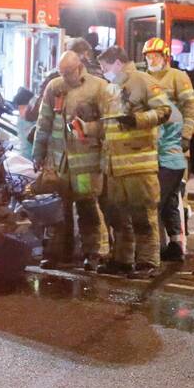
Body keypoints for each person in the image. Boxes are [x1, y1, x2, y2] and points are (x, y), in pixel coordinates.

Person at [96, 45, 173, 278]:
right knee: (118, 216)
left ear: (117, 63)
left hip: (138, 165)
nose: (103, 72)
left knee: (143, 215)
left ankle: (148, 262)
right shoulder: (112, 88)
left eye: (105, 67)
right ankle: (123, 260)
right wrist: (87, 129)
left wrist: (137, 120)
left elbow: (165, 111)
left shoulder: (143, 81)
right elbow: (108, 125)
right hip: (116, 167)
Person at [32, 51, 111, 271]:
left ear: (79, 67)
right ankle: (57, 254)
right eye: (62, 73)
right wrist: (38, 154)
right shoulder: (54, 87)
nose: (65, 77)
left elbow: (108, 123)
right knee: (58, 210)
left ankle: (92, 254)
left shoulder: (99, 88)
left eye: (68, 72)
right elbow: (43, 122)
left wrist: (89, 129)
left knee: (87, 209)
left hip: (86, 166)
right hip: (59, 164)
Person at [143, 37, 194, 261]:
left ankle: (176, 243)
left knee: (173, 197)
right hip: (154, 147)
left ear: (165, 56)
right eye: (148, 56)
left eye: (155, 55)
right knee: (165, 199)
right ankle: (172, 244)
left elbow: (190, 106)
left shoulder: (177, 77)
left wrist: (186, 135)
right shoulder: (144, 79)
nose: (151, 60)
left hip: (173, 145)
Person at [12, 86, 36, 160]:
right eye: (19, 109)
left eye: (22, 108)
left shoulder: (34, 120)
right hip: (26, 159)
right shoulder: (22, 121)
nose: (20, 112)